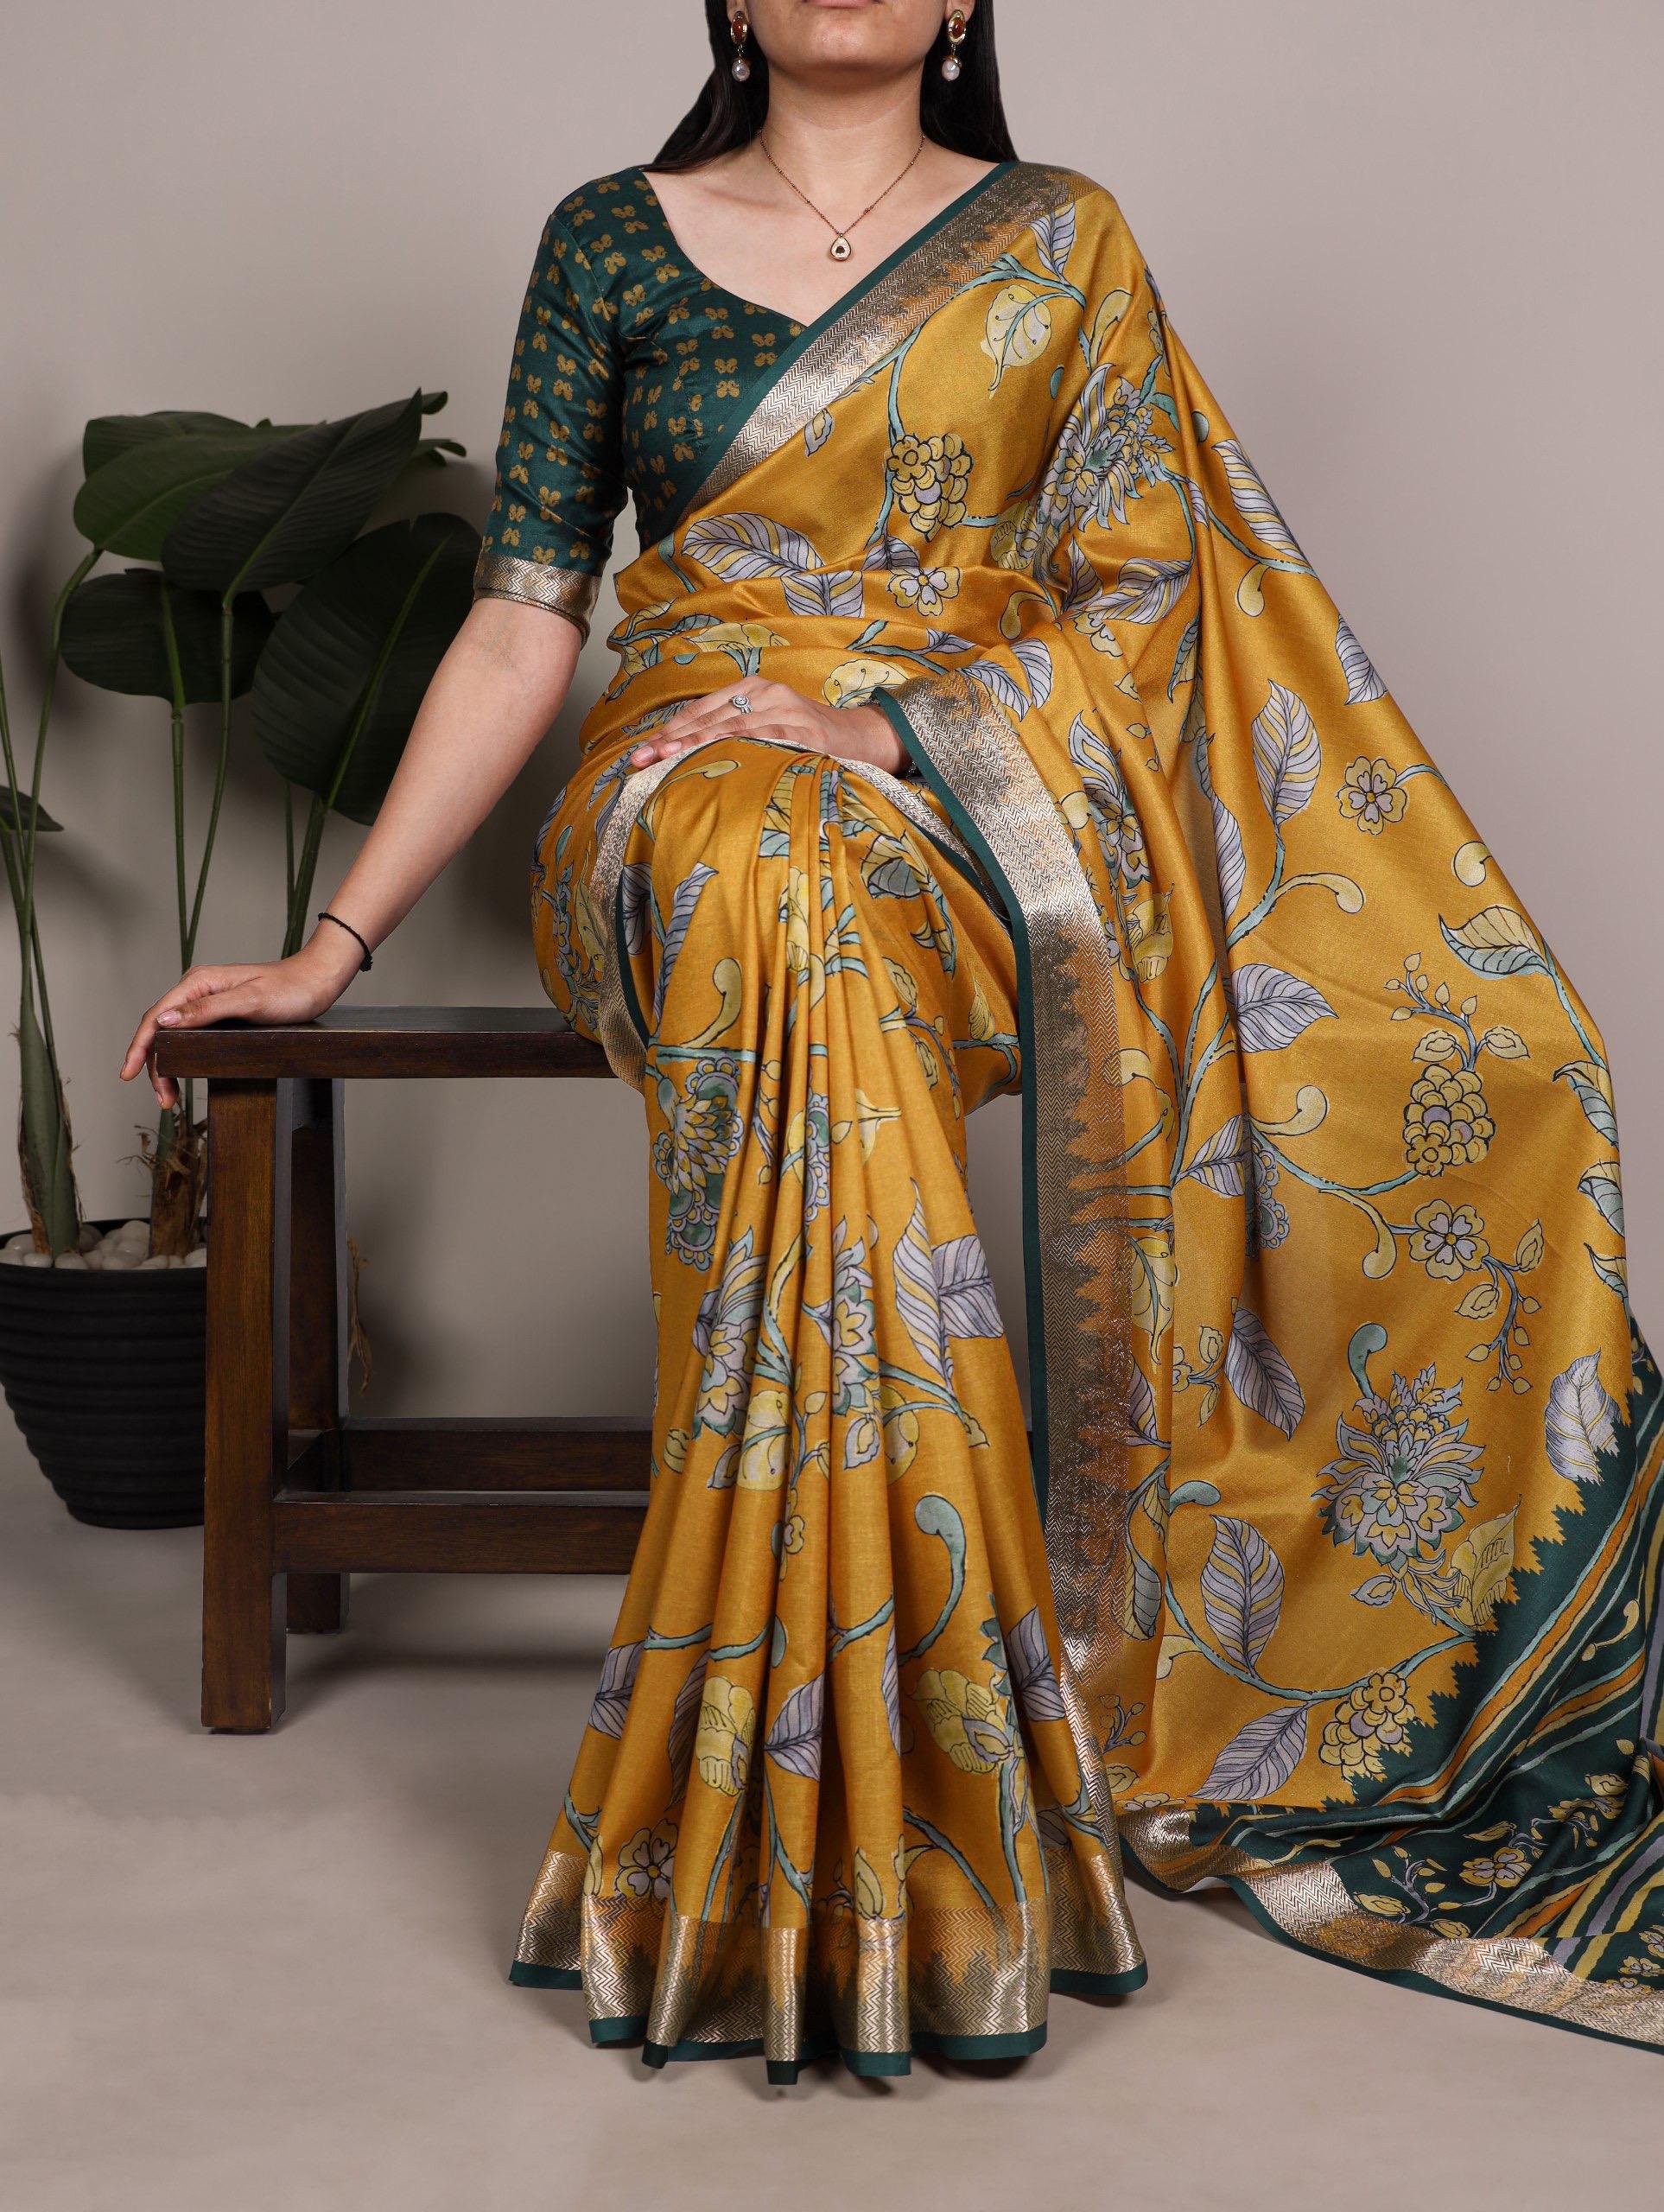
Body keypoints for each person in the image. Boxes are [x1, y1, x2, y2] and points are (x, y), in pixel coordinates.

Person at [122, 0, 1664, 2077]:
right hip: (677, 804)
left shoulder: (1064, 239)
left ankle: (808, 1795)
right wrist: (335, 940)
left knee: (873, 894)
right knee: (783, 874)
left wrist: (887, 729)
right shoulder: (611, 238)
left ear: (962, 5)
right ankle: (926, 1802)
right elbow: (525, 608)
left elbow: (1149, 600)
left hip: (971, 827)